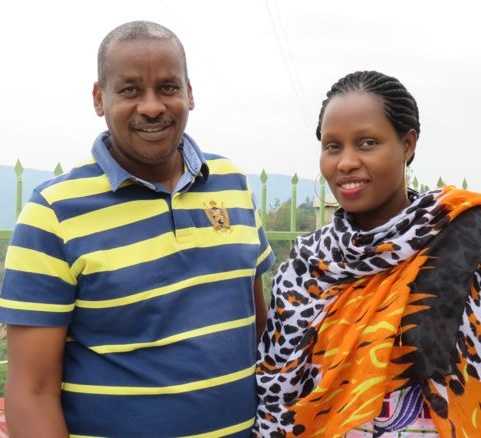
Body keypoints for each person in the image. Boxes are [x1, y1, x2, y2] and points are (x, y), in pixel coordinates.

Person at [0, 20, 275, 437]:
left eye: (167, 87)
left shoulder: (232, 184)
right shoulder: (53, 214)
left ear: (189, 93)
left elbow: (255, 327)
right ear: (99, 98)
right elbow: (30, 392)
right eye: (130, 90)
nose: (151, 106)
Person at [254, 70, 481, 437]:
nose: (345, 162)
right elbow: (275, 391)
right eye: (332, 146)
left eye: (367, 143)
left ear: (407, 144)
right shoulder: (306, 266)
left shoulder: (465, 240)